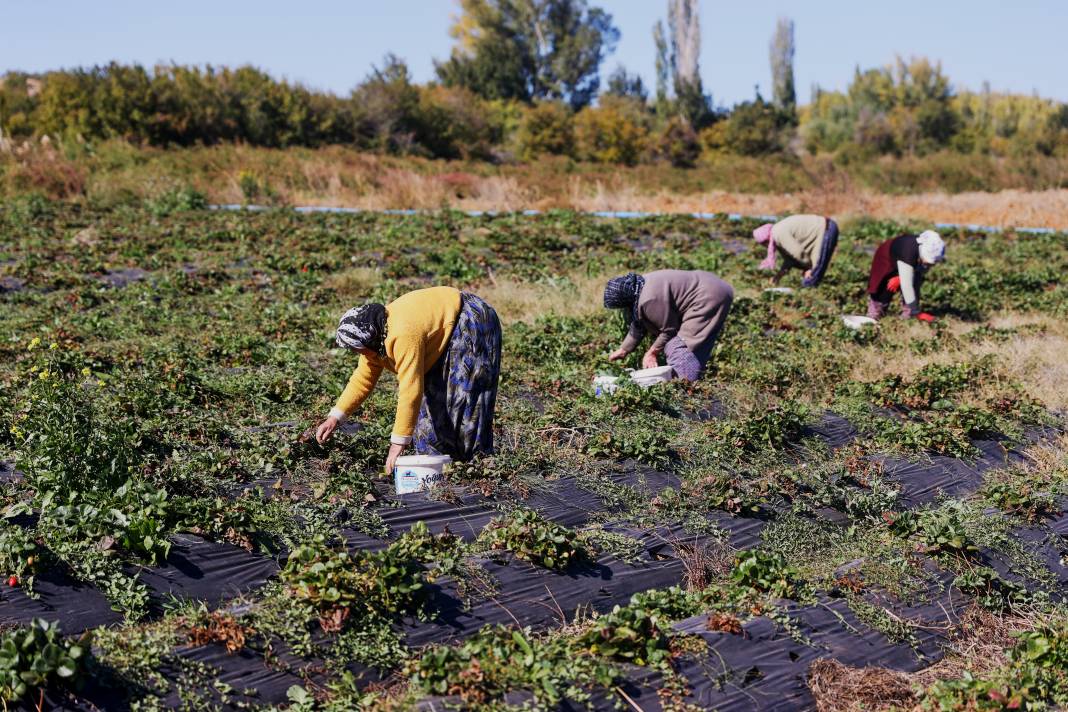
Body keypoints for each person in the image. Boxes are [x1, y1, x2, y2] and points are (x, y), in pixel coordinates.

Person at [315, 286, 502, 474]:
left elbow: (410, 389)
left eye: (356, 349)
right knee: (432, 409)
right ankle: (442, 470)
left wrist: (397, 444)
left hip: (468, 319)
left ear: (368, 340)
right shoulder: (375, 340)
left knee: (465, 399)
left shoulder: (402, 334)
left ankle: (477, 468)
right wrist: (335, 418)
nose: (356, 353)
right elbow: (362, 380)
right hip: (442, 332)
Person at [604, 270, 733, 382]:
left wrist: (652, 353)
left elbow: (669, 330)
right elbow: (639, 324)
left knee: (677, 346)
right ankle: (693, 378)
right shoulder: (638, 286)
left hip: (709, 295)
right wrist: (624, 349)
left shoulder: (649, 299)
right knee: (694, 343)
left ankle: (683, 384)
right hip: (711, 286)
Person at [866, 230, 946, 321]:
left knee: (914, 282)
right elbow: (906, 286)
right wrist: (917, 313)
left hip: (906, 261)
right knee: (883, 288)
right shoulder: (908, 252)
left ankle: (907, 317)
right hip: (887, 258)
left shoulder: (934, 249)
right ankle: (873, 318)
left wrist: (901, 277)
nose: (928, 265)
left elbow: (916, 272)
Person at [752, 214, 840, 287]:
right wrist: (779, 276)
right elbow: (790, 259)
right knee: (812, 278)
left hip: (826, 230)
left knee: (811, 279)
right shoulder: (777, 232)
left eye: (764, 244)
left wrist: (810, 269)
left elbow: (798, 253)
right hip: (825, 228)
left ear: (765, 240)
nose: (765, 247)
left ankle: (811, 302)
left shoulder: (778, 234)